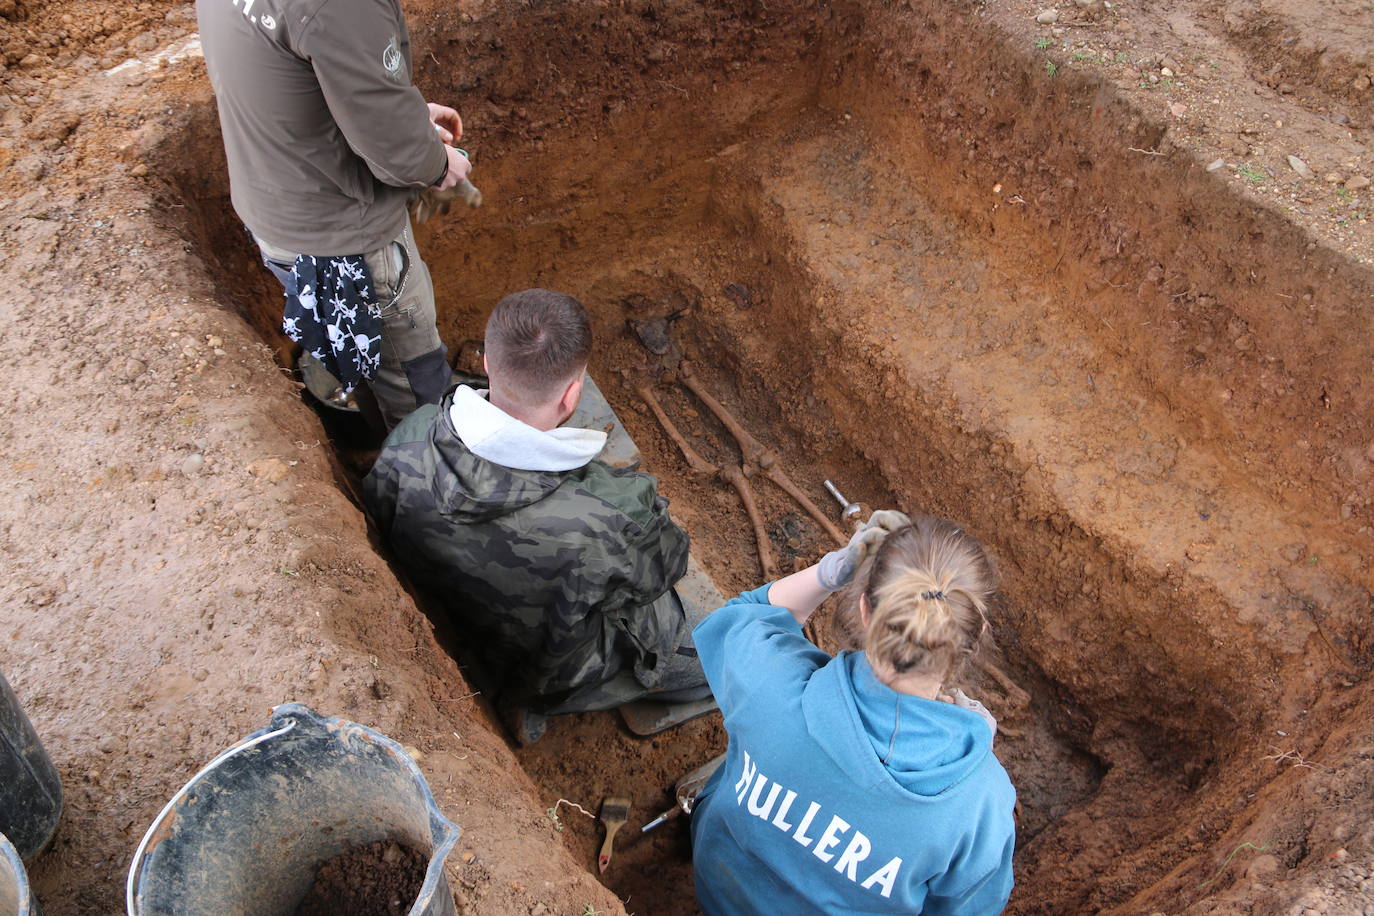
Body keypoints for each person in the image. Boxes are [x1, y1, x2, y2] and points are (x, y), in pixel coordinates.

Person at [364, 289, 712, 743]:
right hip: (556, 668)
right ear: (572, 395)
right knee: (726, 653)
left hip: (461, 627)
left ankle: (506, 694)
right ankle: (552, 699)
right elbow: (668, 565)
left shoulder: (410, 436)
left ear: (487, 362)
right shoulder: (611, 516)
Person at [689, 512, 1016, 915]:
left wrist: (830, 572)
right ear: (976, 633)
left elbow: (744, 614)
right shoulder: (981, 804)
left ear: (864, 609)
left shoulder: (770, 684)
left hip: (722, 897)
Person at [197, 0, 473, 429]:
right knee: (413, 382)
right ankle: (423, 475)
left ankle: (381, 427)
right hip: (347, 239)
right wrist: (436, 162)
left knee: (359, 355)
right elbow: (402, 158)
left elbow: (297, 75)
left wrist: (402, 117)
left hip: (277, 211)